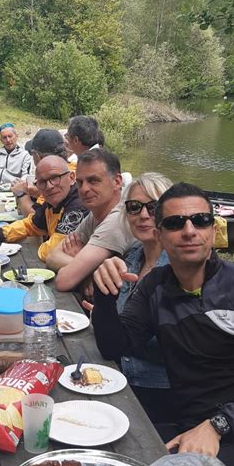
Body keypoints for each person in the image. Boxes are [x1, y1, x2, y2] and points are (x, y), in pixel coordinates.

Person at [90, 182, 234, 466]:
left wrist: (218, 425)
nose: (189, 230)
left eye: (200, 220)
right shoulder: (155, 286)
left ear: (213, 230)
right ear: (159, 234)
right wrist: (104, 292)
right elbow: (115, 346)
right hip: (184, 423)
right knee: (106, 457)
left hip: (229, 428)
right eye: (174, 223)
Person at [87, 173, 174, 423]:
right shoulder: (133, 256)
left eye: (153, 206)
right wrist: (101, 314)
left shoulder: (179, 269)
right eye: (134, 207)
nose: (143, 215)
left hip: (156, 395)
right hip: (115, 376)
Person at [48, 149, 135, 284]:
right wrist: (88, 271)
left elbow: (63, 281)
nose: (84, 189)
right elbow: (52, 257)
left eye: (93, 180)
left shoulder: (118, 220)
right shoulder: (96, 213)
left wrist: (82, 269)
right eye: (80, 182)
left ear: (117, 182)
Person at [0, 155, 86, 262]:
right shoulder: (53, 201)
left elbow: (53, 252)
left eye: (55, 178)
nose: (49, 186)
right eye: (42, 182)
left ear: (72, 178)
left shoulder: (78, 207)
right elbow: (30, 225)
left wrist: (43, 246)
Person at [11, 129, 71, 216]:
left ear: (38, 156)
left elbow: (35, 218)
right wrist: (39, 193)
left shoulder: (49, 178)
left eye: (33, 154)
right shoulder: (74, 168)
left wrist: (22, 194)